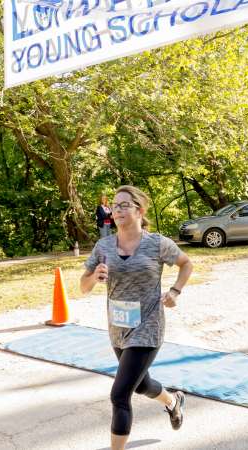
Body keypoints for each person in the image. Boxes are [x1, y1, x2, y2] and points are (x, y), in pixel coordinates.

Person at [80, 185, 193, 450]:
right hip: (118, 327)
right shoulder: (104, 245)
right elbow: (82, 287)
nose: (117, 210)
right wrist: (93, 277)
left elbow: (186, 263)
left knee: (119, 395)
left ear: (139, 210)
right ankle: (173, 401)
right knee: (141, 385)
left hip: (148, 327)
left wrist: (175, 291)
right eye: (114, 206)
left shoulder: (157, 244)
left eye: (124, 205)